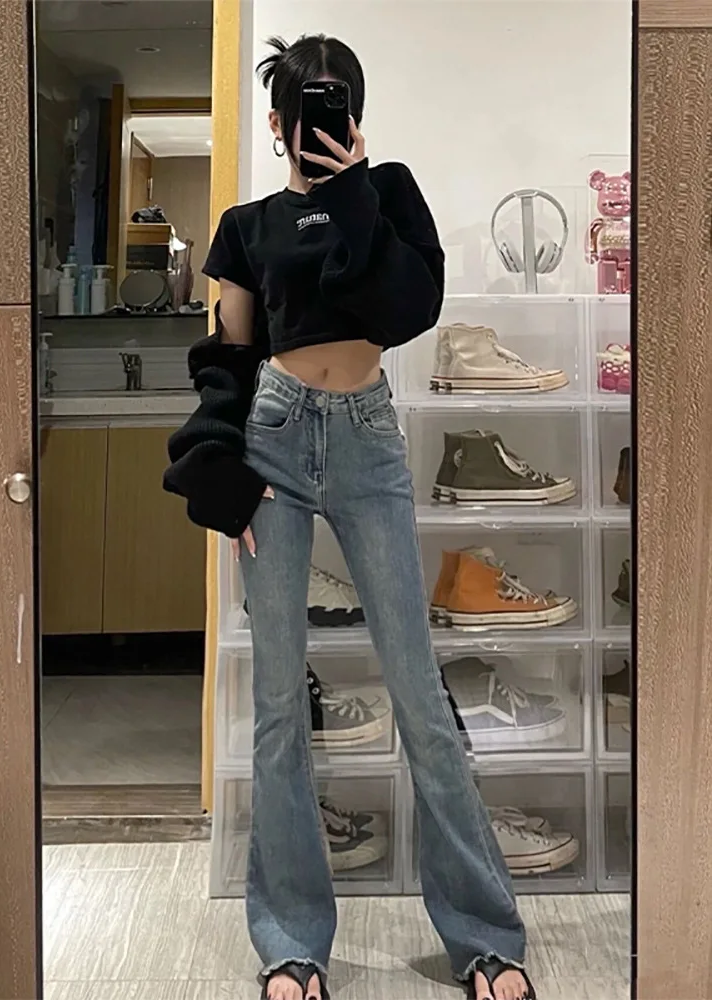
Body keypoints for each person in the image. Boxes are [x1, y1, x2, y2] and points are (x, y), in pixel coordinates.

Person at [164, 33, 536, 1000]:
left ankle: (484, 938)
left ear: (356, 118)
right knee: (280, 704)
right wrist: (219, 470)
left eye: (340, 106)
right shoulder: (245, 226)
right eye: (306, 109)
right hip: (275, 439)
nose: (321, 125)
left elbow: (407, 309)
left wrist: (358, 189)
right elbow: (228, 358)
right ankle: (292, 943)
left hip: (367, 436)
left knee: (419, 692)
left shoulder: (389, 194)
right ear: (280, 121)